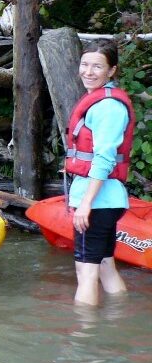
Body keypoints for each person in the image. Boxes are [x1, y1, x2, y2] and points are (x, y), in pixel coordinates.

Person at [65, 40, 134, 306]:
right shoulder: (102, 101)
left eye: (97, 66)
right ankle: (116, 321)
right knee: (105, 265)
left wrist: (85, 204)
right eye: (84, 64)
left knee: (86, 272)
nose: (88, 71)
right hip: (106, 201)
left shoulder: (107, 107)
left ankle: (83, 341)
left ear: (111, 70)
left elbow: (104, 158)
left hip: (97, 202)